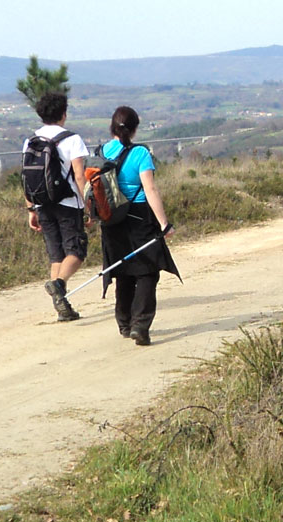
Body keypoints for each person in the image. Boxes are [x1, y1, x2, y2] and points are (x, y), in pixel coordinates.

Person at [98, 106, 179, 346]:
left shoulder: (102, 152)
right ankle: (140, 325)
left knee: (122, 269)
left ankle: (124, 323)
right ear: (134, 129)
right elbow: (150, 189)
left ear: (112, 127)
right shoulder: (141, 153)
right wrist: (164, 223)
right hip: (139, 216)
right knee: (147, 270)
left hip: (111, 218)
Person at [26, 92, 90, 322]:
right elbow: (80, 176)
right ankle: (59, 285)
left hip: (42, 204)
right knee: (76, 252)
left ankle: (62, 308)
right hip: (68, 203)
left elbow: (27, 177)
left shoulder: (31, 141)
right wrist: (88, 205)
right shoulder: (72, 139)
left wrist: (31, 209)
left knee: (56, 256)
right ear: (63, 113)